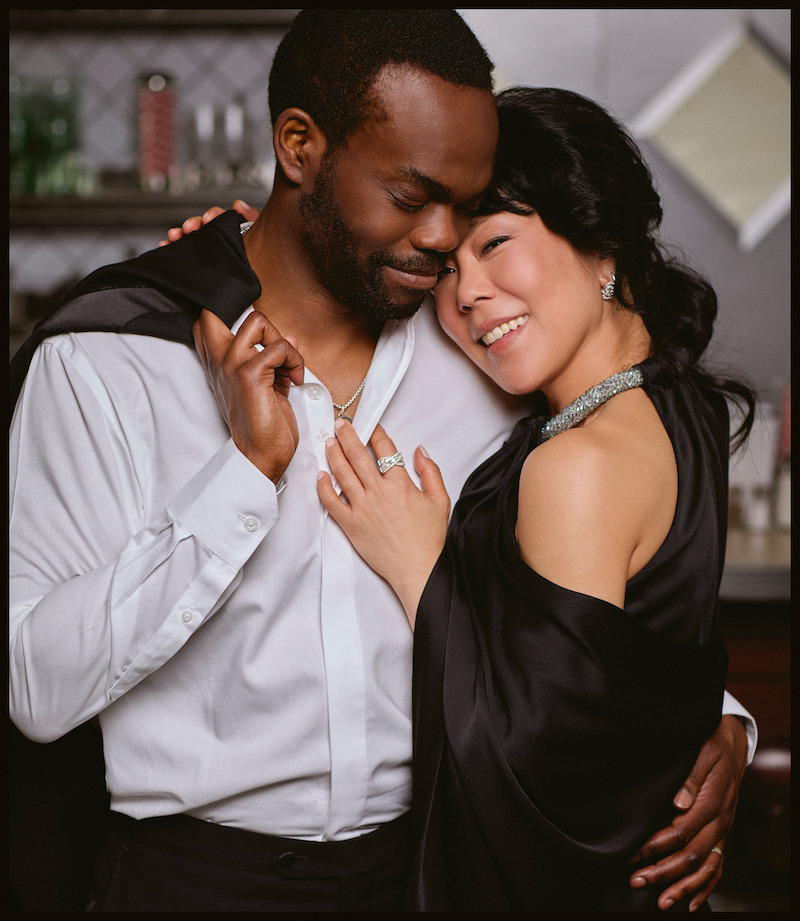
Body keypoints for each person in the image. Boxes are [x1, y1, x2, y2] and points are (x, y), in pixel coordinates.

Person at [9, 10, 752, 913]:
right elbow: (36, 689)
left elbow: (586, 606)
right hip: (191, 883)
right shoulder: (109, 363)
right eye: (412, 196)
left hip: (431, 872)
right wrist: (244, 472)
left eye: (470, 210)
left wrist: (712, 723)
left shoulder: (486, 349)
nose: (444, 241)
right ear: (299, 148)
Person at [313, 86, 756, 911]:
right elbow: (628, 678)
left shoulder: (576, 464)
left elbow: (533, 784)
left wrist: (422, 572)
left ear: (602, 247)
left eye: (498, 244)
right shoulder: (677, 400)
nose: (468, 293)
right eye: (447, 267)